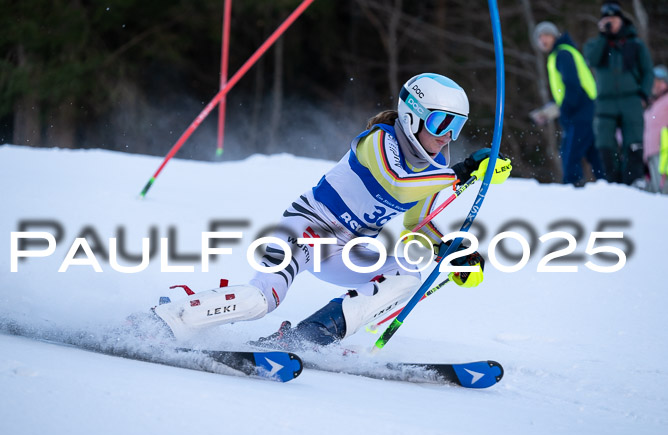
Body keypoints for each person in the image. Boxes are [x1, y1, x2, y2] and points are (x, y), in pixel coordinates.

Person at [152, 73, 512, 348]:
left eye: (457, 127)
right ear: (413, 117)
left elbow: (417, 223)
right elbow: (397, 184)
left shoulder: (434, 166)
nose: (448, 137)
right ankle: (167, 319)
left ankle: (308, 338)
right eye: (441, 124)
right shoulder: (379, 142)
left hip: (346, 249)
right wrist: (460, 173)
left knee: (405, 275)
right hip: (308, 229)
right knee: (261, 300)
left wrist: (447, 249)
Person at [583, 1, 653, 185]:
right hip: (605, 101)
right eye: (606, 20)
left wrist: (644, 94)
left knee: (634, 140)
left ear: (621, 21)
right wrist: (602, 36)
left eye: (613, 20)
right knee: (605, 142)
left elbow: (648, 71)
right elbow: (591, 60)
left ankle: (634, 179)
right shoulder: (596, 44)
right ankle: (611, 181)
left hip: (631, 98)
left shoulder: (635, 44)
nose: (610, 24)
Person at [533, 21, 605, 186]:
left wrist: (565, 111)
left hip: (580, 109)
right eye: (540, 37)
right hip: (584, 108)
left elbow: (572, 85)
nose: (543, 40)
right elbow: (563, 92)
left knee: (570, 153)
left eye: (547, 36)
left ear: (555, 37)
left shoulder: (562, 54)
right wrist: (549, 111)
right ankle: (607, 185)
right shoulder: (561, 53)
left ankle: (573, 187)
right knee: (592, 153)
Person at [643, 65, 668, 193]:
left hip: (664, 152)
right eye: (654, 82)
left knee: (663, 188)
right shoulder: (652, 104)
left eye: (660, 81)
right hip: (650, 153)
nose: (656, 85)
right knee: (655, 189)